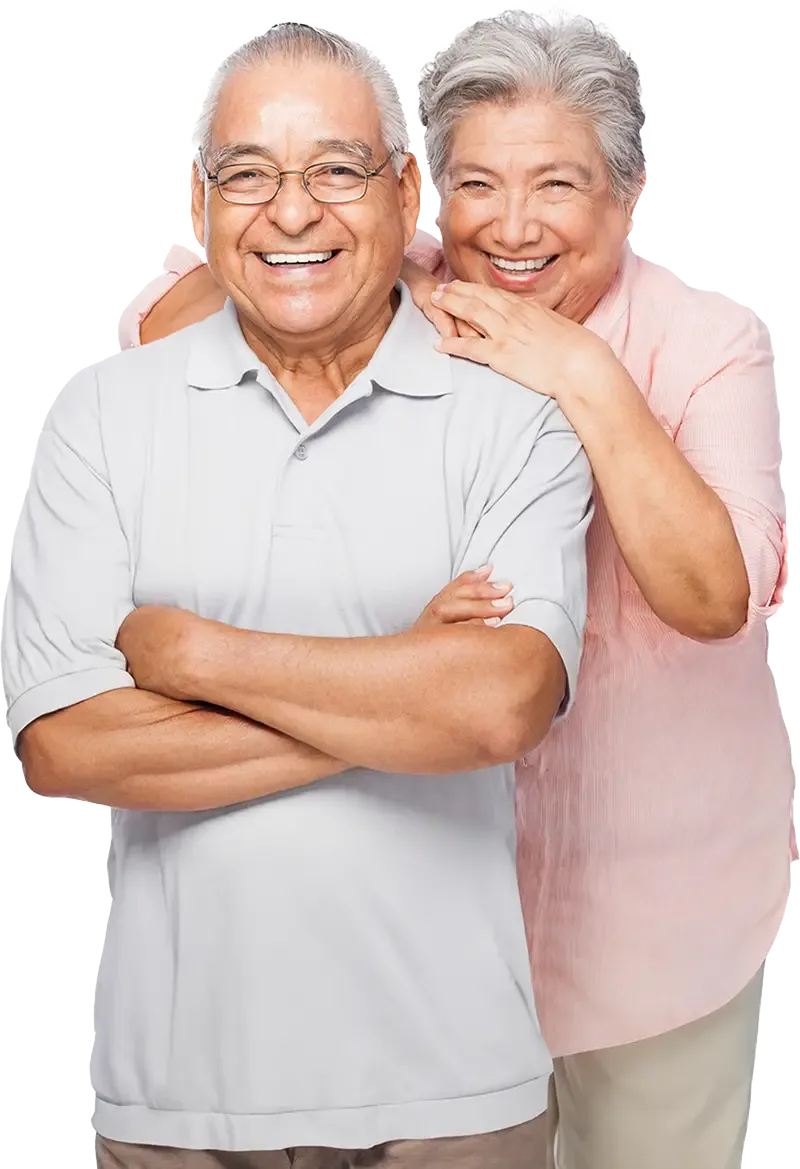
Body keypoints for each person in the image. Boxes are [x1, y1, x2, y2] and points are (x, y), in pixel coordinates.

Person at [123, 8, 797, 1169]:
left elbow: (711, 594)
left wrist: (579, 371)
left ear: (626, 197)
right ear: (426, 190)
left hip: (658, 912)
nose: (513, 224)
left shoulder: (705, 339)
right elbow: (167, 327)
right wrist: (363, 271)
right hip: (419, 912)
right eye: (475, 183)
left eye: (558, 183)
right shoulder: (390, 283)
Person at [0, 18, 594, 1169]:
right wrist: (403, 688)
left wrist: (197, 654)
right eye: (248, 174)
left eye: (334, 168)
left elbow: (495, 708)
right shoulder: (99, 414)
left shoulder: (512, 413)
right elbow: (67, 746)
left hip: (454, 1093)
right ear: (198, 198)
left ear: (405, 187)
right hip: (178, 1101)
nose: (290, 211)